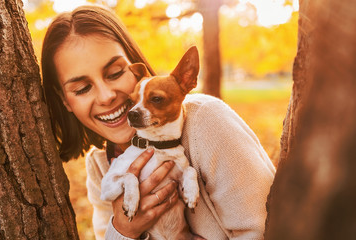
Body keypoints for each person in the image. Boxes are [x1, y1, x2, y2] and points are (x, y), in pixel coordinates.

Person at [41, 4, 276, 240]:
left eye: (115, 73)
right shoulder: (101, 165)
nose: (106, 96)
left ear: (136, 68)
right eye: (82, 88)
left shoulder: (205, 122)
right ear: (65, 101)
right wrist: (123, 231)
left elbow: (269, 228)